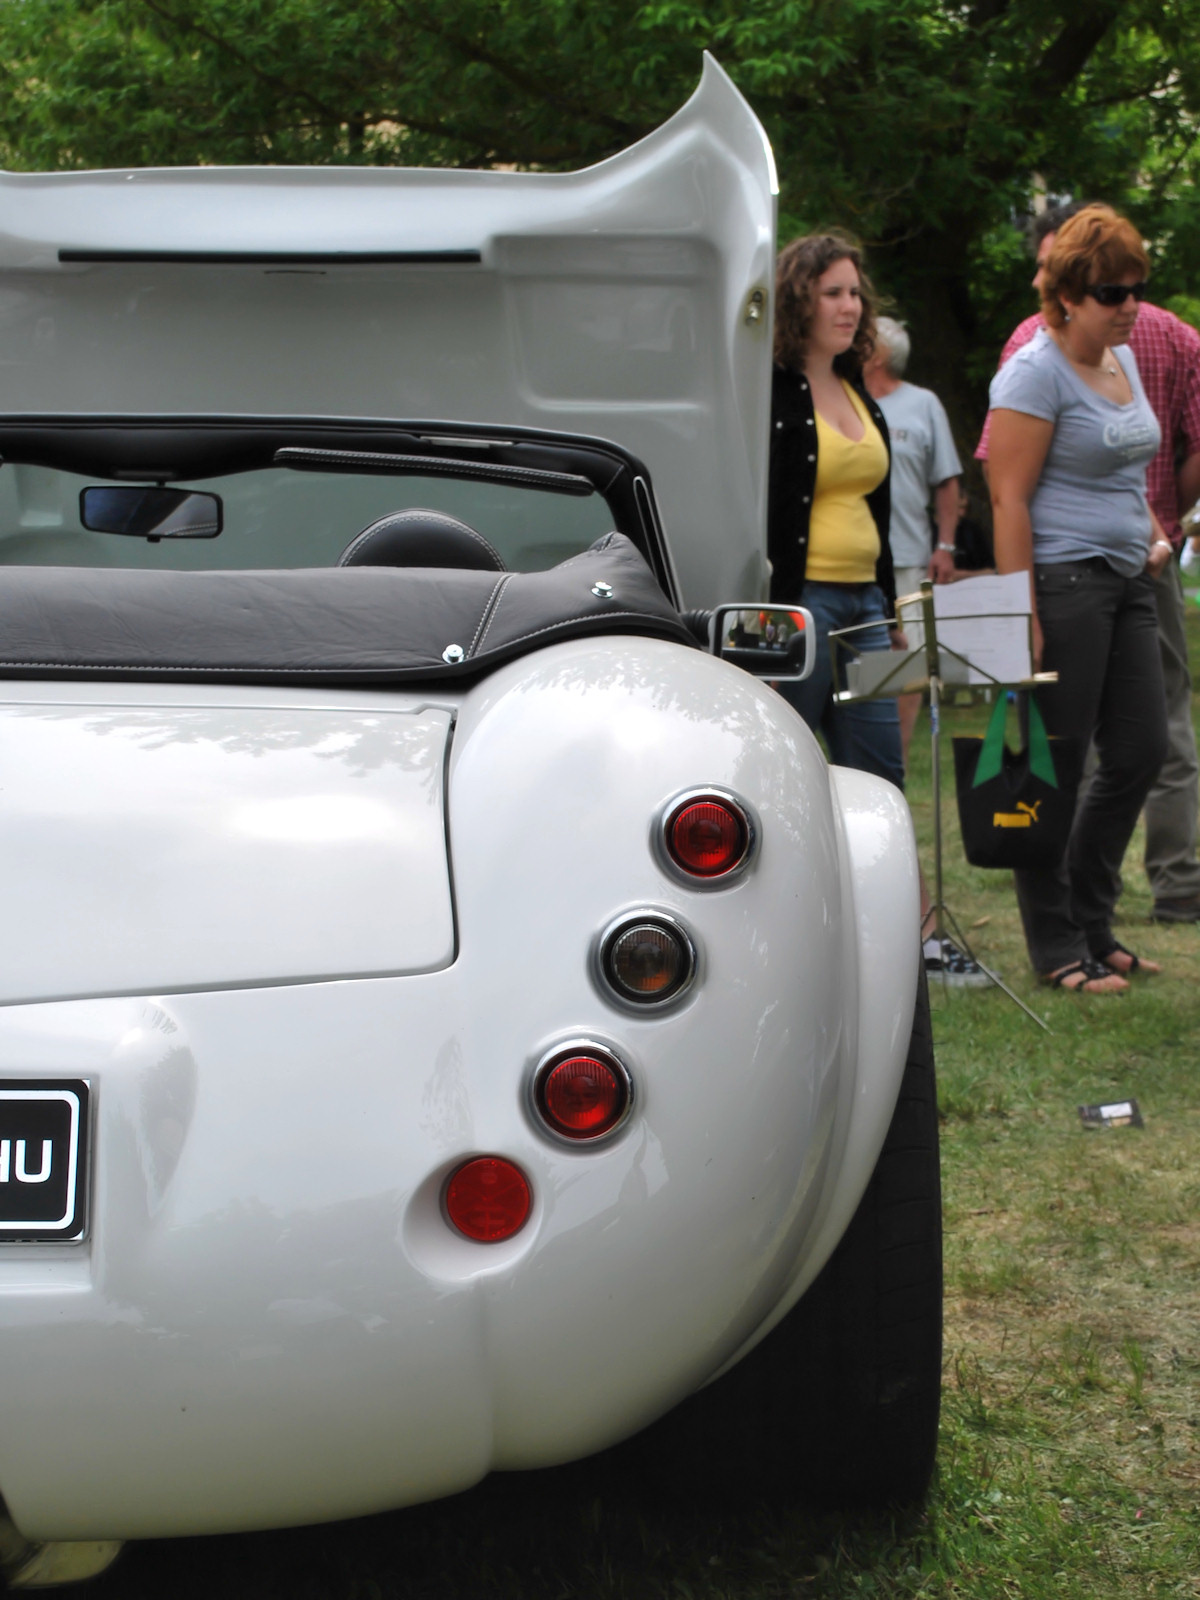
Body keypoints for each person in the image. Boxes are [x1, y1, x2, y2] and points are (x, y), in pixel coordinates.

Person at [769, 233, 986, 985]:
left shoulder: (860, 389)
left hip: (866, 603)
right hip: (795, 609)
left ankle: (919, 941)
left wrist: (894, 610)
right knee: (787, 772)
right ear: (798, 296)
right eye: (832, 291)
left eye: (855, 293)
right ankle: (786, 941)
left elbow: (880, 504)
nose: (848, 305)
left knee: (882, 777)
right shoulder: (769, 389)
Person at [978, 200, 1200, 925]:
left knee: (1142, 748)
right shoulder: (1032, 373)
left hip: (1132, 575)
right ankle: (1054, 939)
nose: (1130, 305)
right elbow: (1007, 500)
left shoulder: (1124, 357)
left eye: (1135, 288)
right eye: (1113, 293)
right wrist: (1022, 615)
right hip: (1063, 583)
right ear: (1067, 295)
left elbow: (1128, 474)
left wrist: (1152, 531)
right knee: (1057, 768)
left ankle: (1093, 920)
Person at [864, 315, 963, 764]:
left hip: (908, 559)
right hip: (857, 560)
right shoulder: (843, 398)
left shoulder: (924, 404)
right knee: (860, 669)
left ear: (878, 354)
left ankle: (896, 761)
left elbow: (946, 482)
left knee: (907, 671)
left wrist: (945, 546)